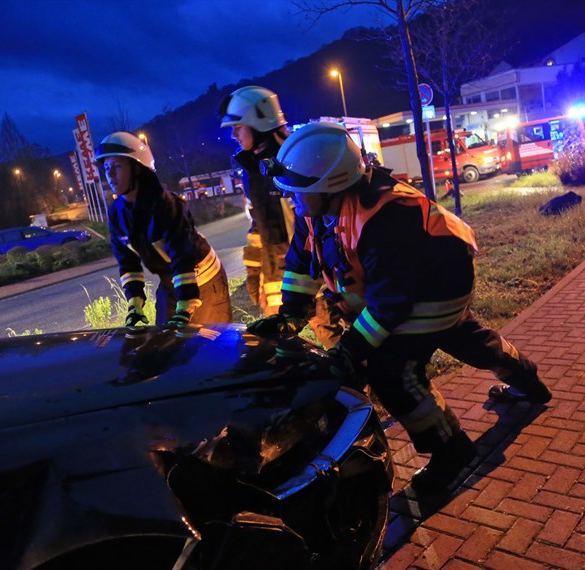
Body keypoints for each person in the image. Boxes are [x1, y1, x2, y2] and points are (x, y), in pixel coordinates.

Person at [248, 122, 551, 495]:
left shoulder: (387, 216)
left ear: (329, 186)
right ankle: (528, 381)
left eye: (296, 191)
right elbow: (301, 263)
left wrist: (350, 352)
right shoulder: (318, 209)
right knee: (466, 339)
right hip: (415, 288)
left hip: (437, 288)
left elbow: (389, 305)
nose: (289, 197)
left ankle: (451, 450)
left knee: (391, 370)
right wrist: (291, 315)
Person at [219, 86, 343, 346]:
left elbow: (317, 224)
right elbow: (260, 227)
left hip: (313, 275)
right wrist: (256, 270)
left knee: (340, 346)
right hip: (281, 279)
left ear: (258, 124)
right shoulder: (253, 171)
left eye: (238, 127)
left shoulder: (296, 161)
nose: (233, 135)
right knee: (281, 347)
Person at [97, 131, 232, 328]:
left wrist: (185, 305)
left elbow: (181, 255)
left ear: (137, 168)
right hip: (171, 282)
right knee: (165, 340)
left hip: (204, 279)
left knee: (209, 342)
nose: (109, 175)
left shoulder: (166, 205)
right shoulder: (117, 214)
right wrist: (135, 303)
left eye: (117, 166)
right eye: (106, 168)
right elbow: (128, 263)